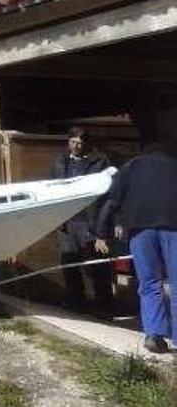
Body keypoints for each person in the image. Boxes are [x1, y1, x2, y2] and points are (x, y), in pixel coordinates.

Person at [96, 141, 177, 354]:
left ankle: (155, 335)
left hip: (141, 231)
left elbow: (111, 203)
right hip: (174, 229)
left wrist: (101, 233)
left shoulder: (130, 167)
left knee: (149, 283)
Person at [51, 126, 114, 311]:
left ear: (86, 143)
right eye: (73, 142)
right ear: (68, 141)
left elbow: (108, 195)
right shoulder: (60, 162)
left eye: (80, 142)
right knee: (70, 264)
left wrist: (106, 227)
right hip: (67, 221)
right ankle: (76, 302)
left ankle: (104, 307)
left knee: (96, 267)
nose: (77, 146)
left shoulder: (99, 162)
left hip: (89, 221)